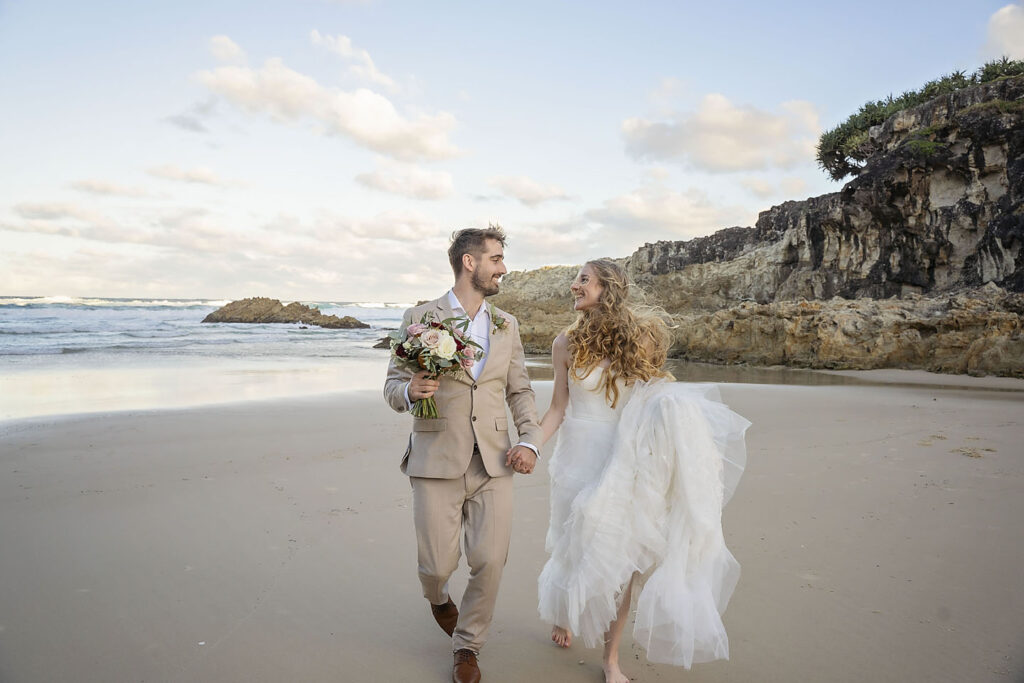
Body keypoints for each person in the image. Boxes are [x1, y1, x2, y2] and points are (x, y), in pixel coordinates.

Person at [531, 259, 749, 682]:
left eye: (583, 279)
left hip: (624, 460)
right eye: (575, 278)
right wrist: (531, 446)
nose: (573, 284)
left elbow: (658, 398)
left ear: (606, 288)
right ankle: (565, 613)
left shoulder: (638, 339)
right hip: (576, 457)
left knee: (622, 562)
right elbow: (558, 408)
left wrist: (688, 440)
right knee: (571, 545)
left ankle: (611, 661)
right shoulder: (564, 343)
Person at [384, 226, 542, 683]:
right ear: (469, 262)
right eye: (496, 259)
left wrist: (529, 439)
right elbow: (392, 385)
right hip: (435, 458)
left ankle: (468, 646)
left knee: (490, 561)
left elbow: (519, 389)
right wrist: (411, 391)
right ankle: (438, 599)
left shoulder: (506, 324)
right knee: (436, 566)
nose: (503, 268)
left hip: (495, 459)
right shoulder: (420, 316)